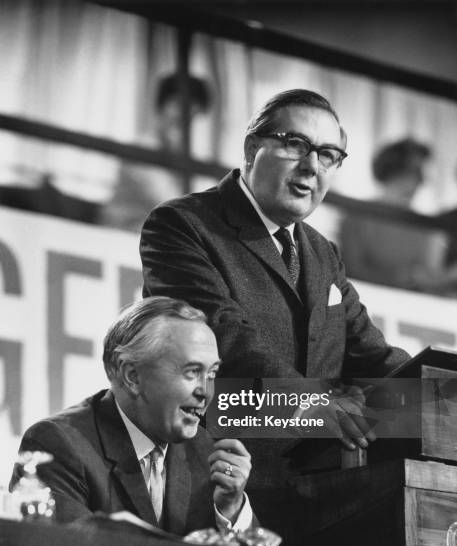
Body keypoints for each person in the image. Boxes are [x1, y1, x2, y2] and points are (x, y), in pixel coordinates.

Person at [140, 89, 410, 454]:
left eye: (328, 155)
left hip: (319, 482)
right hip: (218, 471)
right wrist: (313, 407)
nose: (312, 166)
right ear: (252, 149)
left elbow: (369, 354)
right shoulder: (183, 225)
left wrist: (439, 393)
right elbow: (224, 338)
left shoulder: (323, 252)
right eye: (296, 144)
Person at [10, 296, 253, 535]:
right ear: (132, 376)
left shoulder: (205, 451)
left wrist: (230, 508)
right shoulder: (59, 444)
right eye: (192, 372)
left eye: (211, 375)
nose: (205, 392)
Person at [101, 73, 212, 233]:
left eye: (193, 115)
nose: (184, 119)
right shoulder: (141, 150)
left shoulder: (184, 157)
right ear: (161, 106)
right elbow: (171, 205)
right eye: (179, 107)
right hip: (118, 239)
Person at [340, 138, 448, 292]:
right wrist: (398, 277)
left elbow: (431, 280)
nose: (419, 181)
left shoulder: (428, 227)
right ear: (391, 169)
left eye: (422, 174)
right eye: (413, 171)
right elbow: (350, 271)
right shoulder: (356, 216)